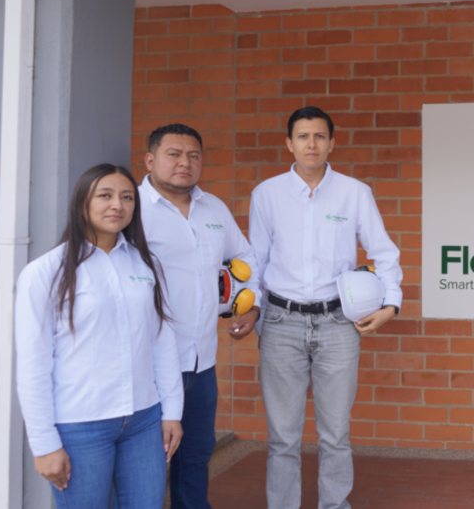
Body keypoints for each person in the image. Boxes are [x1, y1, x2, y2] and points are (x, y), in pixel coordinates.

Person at [250, 106, 403, 509]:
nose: (311, 144)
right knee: (282, 437)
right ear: (289, 143)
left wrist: (391, 304)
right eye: (303, 136)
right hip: (281, 321)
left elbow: (384, 252)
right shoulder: (266, 194)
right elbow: (256, 262)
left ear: (332, 143)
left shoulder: (354, 192)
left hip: (337, 323)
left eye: (319, 136)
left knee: (335, 434)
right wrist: (256, 316)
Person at [14, 164, 183, 508]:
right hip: (80, 425)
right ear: (82, 204)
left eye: (127, 197)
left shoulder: (145, 264)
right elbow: (33, 365)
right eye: (105, 195)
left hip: (143, 420)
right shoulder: (45, 272)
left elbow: (162, 343)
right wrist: (44, 444)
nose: (117, 205)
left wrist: (172, 412)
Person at [139, 124, 261, 509]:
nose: (185, 163)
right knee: (146, 465)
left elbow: (245, 258)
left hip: (201, 363)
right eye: (173, 154)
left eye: (193, 155)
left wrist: (251, 304)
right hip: (147, 366)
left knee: (194, 458)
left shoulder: (214, 208)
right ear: (150, 160)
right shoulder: (132, 209)